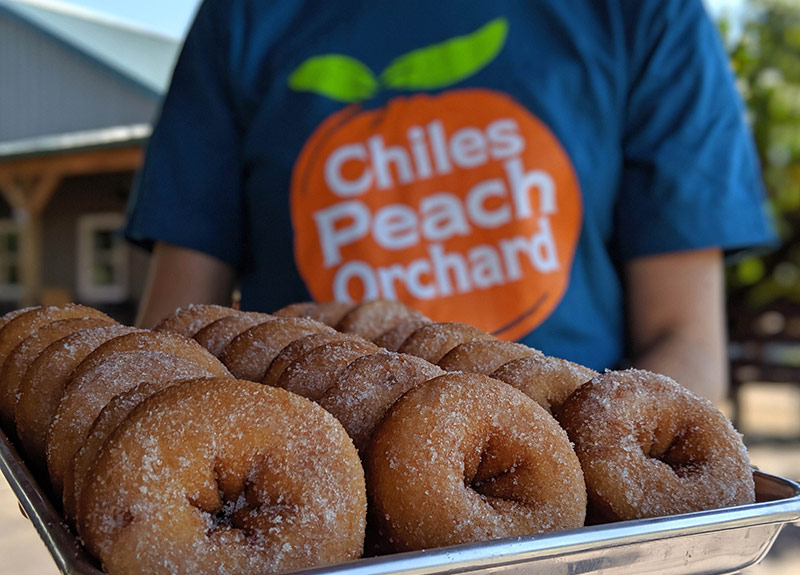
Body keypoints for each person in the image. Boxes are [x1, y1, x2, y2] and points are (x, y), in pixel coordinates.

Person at [125, 0, 775, 404]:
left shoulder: (644, 13)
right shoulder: (242, 16)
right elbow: (176, 338)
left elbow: (684, 340)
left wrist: (571, 521)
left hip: (572, 519)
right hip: (307, 503)